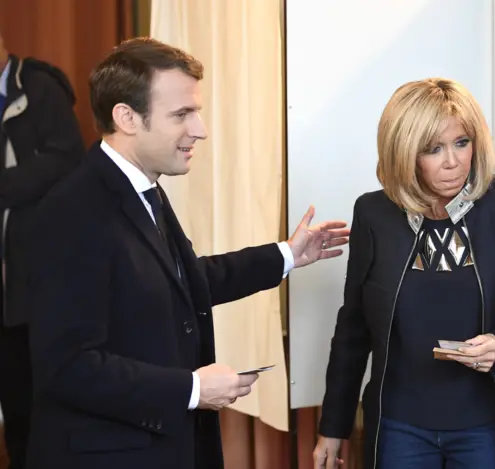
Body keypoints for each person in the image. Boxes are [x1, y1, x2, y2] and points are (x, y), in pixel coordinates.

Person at [25, 37, 349, 469]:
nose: (200, 129)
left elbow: (179, 281)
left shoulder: (143, 189)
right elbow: (67, 367)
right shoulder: (71, 211)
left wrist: (287, 255)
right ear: (126, 118)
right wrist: (192, 389)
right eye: (182, 114)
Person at [313, 78, 495, 469]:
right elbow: (354, 328)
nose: (453, 162)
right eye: (433, 149)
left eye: (461, 143)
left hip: (487, 424)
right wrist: (334, 427)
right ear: (403, 152)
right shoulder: (374, 214)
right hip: (399, 428)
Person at [0, 28, 84, 469]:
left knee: (38, 407)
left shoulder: (37, 87)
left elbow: (67, 160)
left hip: (34, 284)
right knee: (14, 412)